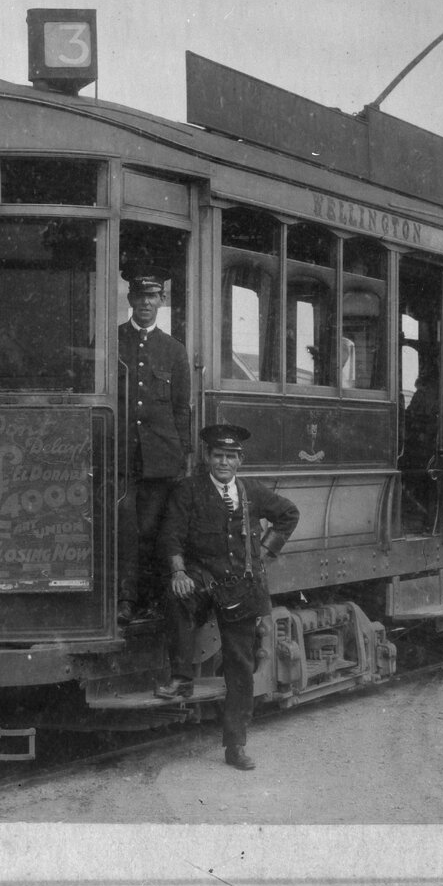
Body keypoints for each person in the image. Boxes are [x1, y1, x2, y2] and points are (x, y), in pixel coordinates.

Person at [157, 423, 300, 773]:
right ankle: (182, 678)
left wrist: (266, 553)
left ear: (240, 460)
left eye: (230, 457)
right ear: (207, 457)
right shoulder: (188, 490)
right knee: (177, 599)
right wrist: (177, 573)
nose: (224, 463)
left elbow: (289, 515)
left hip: (241, 586)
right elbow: (171, 535)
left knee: (241, 666)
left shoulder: (252, 491)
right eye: (218, 456)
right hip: (202, 579)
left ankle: (236, 745)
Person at [117, 264, 194, 625]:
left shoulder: (174, 351)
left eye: (152, 296)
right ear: (130, 298)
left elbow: (181, 409)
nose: (145, 303)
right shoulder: (111, 341)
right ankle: (124, 600)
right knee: (124, 528)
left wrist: (183, 457)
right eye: (140, 296)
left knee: (149, 531)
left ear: (161, 301)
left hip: (160, 459)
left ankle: (144, 600)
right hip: (119, 455)